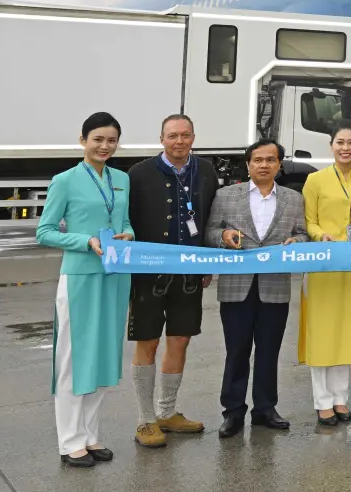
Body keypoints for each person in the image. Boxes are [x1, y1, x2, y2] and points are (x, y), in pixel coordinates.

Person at [37, 112, 135, 467]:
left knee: (105, 358)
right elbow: (45, 231)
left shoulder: (121, 179)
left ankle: (90, 436)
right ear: (83, 140)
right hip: (80, 277)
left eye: (111, 140)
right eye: (98, 139)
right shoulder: (64, 180)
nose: (105, 146)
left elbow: (124, 222)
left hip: (115, 276)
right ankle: (70, 441)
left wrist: (130, 235)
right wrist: (85, 240)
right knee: (74, 360)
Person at [125, 113, 217, 448]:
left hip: (190, 273)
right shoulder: (139, 173)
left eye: (185, 135)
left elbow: (209, 217)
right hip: (149, 273)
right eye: (172, 136)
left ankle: (166, 412)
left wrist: (209, 260)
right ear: (161, 138)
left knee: (180, 340)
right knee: (147, 342)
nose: (179, 141)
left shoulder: (205, 170)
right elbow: (128, 219)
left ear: (193, 137)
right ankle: (145, 420)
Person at [205, 140, 308, 438]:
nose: (264, 165)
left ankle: (265, 408)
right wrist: (223, 235)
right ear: (248, 164)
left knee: (268, 351)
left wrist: (297, 243)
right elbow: (210, 232)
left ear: (279, 165)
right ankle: (233, 411)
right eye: (258, 160)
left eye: (270, 160)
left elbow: (302, 233)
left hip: (274, 285)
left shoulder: (293, 198)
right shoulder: (226, 196)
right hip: (236, 286)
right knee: (236, 351)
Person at [297, 122, 351, 426]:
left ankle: (340, 398)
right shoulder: (315, 180)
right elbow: (309, 221)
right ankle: (322, 401)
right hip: (322, 265)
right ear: (331, 145)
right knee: (322, 331)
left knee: (346, 330)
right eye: (340, 142)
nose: (346, 148)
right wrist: (321, 237)